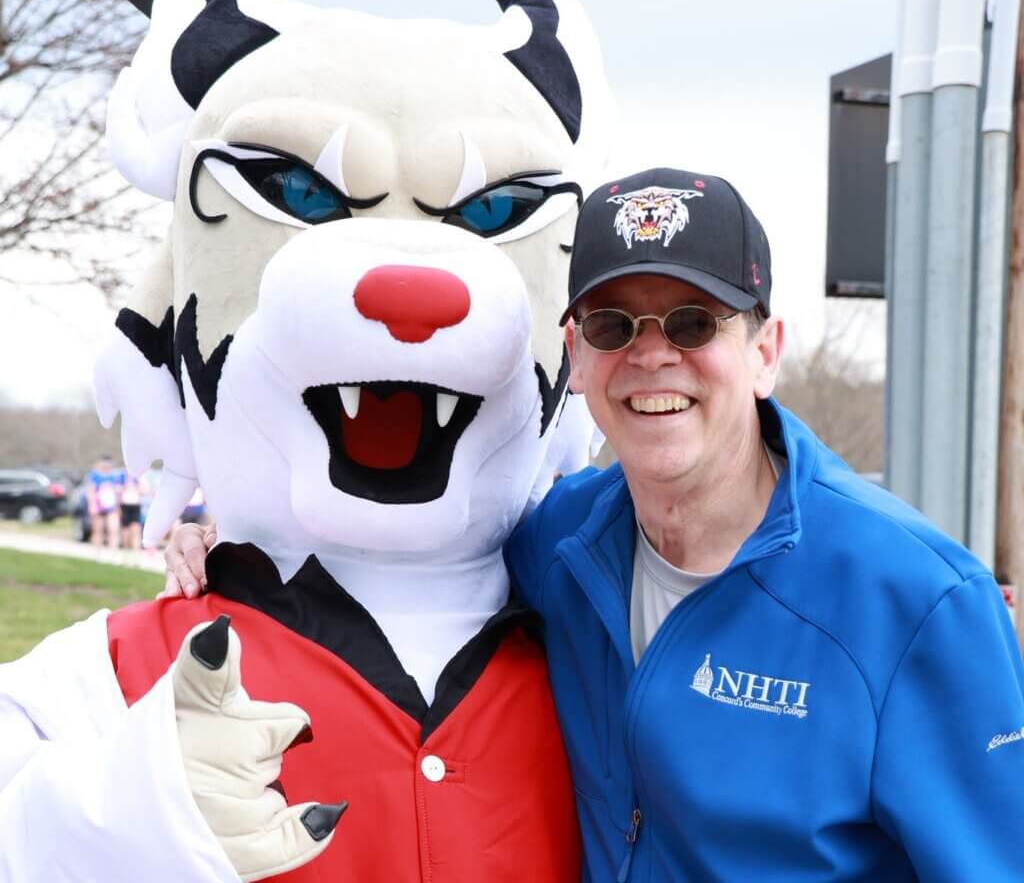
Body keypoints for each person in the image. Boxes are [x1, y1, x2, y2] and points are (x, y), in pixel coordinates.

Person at [168, 166, 1024, 881]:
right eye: (616, 324)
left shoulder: (916, 602)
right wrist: (233, 542)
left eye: (694, 321)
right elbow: (402, 571)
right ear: (576, 357)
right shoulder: (552, 546)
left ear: (765, 352)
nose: (653, 355)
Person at [85, 455, 124, 549]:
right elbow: (91, 491)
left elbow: (119, 492)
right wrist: (91, 505)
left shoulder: (115, 476)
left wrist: (119, 506)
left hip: (112, 506)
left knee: (113, 529)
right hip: (98, 505)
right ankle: (96, 552)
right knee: (98, 530)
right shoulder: (95, 475)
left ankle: (113, 551)